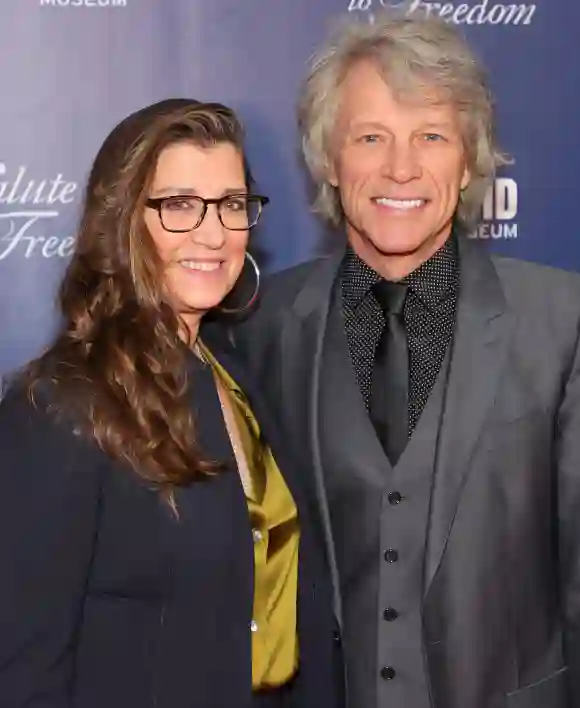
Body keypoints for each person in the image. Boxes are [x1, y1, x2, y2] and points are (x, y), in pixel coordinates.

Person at [234, 9, 580, 708]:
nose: (401, 168)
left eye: (431, 136)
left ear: (470, 156)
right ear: (330, 158)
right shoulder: (260, 328)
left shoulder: (563, 323)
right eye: (370, 137)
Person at [0, 99, 343, 708]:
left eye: (232, 204)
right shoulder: (58, 407)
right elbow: (24, 666)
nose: (213, 233)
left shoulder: (238, 377)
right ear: (125, 220)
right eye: (179, 205)